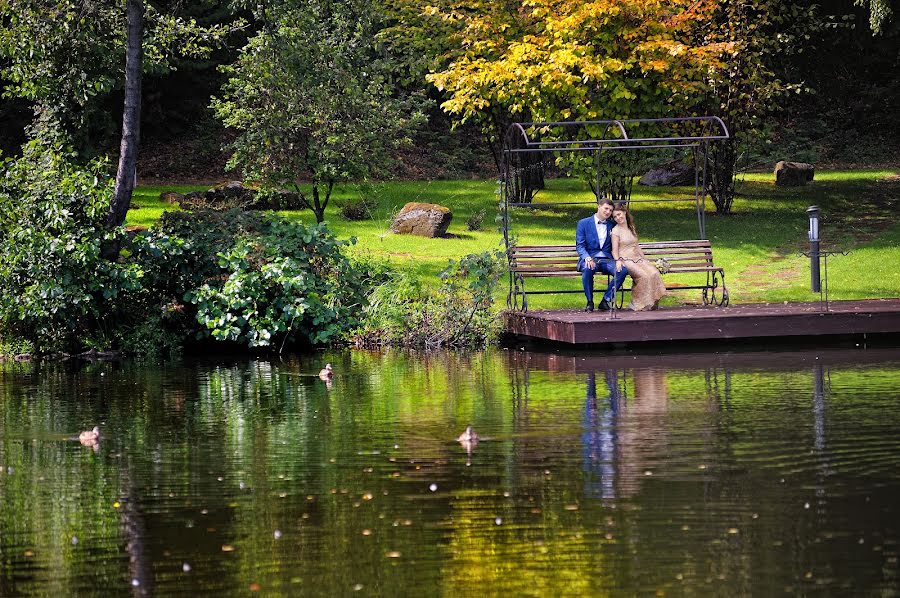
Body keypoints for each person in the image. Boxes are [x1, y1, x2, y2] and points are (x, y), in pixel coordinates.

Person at [576, 198, 629, 311]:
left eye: (610, 210)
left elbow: (622, 239)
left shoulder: (612, 225)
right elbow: (580, 246)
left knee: (622, 270)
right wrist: (587, 257)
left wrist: (619, 259)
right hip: (591, 258)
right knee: (587, 268)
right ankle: (590, 301)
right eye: (606, 208)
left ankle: (606, 300)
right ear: (599, 207)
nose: (608, 212)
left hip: (607, 260)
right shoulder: (583, 223)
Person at [611, 204, 665, 311]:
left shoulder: (632, 227)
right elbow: (614, 250)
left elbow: (636, 246)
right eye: (615, 217)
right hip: (625, 260)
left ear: (624, 213)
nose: (618, 218)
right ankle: (638, 303)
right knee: (643, 276)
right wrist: (617, 261)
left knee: (654, 273)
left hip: (637, 258)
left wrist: (645, 260)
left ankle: (652, 302)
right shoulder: (615, 231)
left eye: (619, 214)